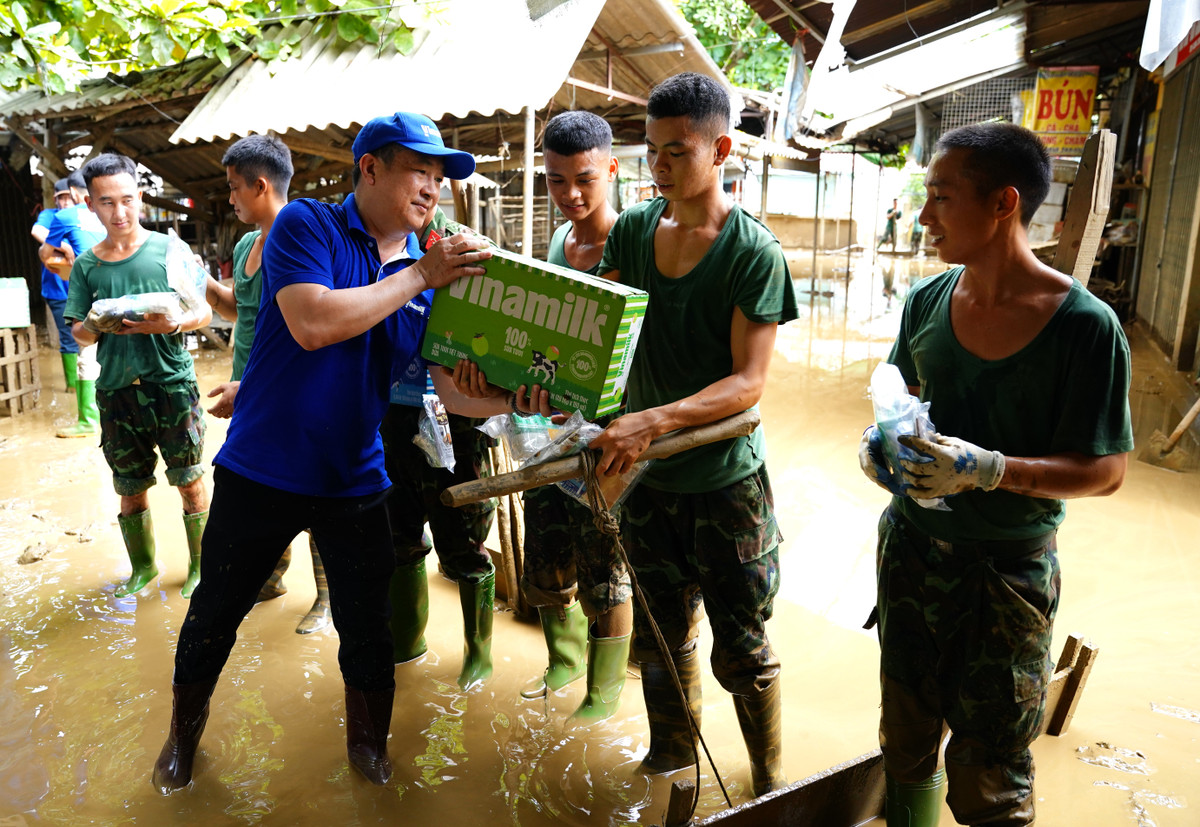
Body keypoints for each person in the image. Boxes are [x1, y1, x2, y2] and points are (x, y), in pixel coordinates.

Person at [151, 111, 549, 795]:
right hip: (262, 468)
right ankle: (182, 736)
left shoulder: (433, 275)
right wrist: (421, 274)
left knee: (369, 630)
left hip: (354, 474)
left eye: (439, 176)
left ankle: (368, 750)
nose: (431, 187)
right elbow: (311, 322)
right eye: (417, 170)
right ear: (370, 168)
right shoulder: (308, 224)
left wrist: (517, 402)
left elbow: (451, 392)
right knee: (216, 611)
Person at [857, 122, 1133, 826]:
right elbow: (904, 402)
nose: (924, 217)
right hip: (911, 556)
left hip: (1006, 577)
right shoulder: (925, 302)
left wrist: (990, 469)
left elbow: (1105, 471)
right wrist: (882, 448)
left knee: (991, 773)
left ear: (1004, 203)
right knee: (906, 739)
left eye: (942, 197)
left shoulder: (1085, 327)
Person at [589, 73, 798, 797]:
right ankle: (671, 755)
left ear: (721, 148)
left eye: (677, 150)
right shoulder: (636, 231)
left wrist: (653, 418)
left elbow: (748, 384)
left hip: (723, 484)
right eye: (652, 150)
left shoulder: (751, 252)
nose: (660, 165)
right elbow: (600, 332)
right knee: (659, 634)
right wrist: (563, 396)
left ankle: (769, 780)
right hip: (648, 483)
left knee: (742, 648)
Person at [517, 110, 634, 723]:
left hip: (609, 439)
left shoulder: (631, 243)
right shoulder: (557, 245)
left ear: (612, 168)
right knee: (547, 552)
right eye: (556, 181)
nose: (571, 195)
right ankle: (562, 660)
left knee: (606, 566)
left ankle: (604, 689)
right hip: (548, 432)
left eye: (584, 179)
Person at [62, 154, 212, 599]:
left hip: (170, 386)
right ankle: (143, 569)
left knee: (190, 479)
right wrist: (96, 321)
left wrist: (174, 324)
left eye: (128, 200)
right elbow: (78, 335)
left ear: (141, 198)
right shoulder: (88, 266)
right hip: (116, 393)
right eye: (107, 203)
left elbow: (202, 312)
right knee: (129, 487)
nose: (120, 212)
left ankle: (200, 570)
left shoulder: (170, 250)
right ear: (91, 205)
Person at [203, 133, 332, 635]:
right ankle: (270, 579)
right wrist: (203, 285)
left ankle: (326, 598)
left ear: (261, 186)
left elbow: (310, 326)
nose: (230, 197)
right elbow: (242, 310)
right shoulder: (244, 245)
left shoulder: (301, 239)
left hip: (287, 390)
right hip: (250, 389)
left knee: (310, 492)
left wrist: (252, 388)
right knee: (261, 485)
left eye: (235, 188)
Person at [381, 205, 500, 692]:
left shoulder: (464, 245)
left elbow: (497, 334)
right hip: (389, 414)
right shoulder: (372, 243)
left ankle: (479, 654)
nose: (422, 191)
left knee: (465, 540)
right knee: (397, 535)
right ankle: (407, 642)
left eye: (431, 178)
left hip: (455, 418)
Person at [41, 171, 107, 438]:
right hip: (116, 285)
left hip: (89, 291)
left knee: (85, 352)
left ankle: (88, 420)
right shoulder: (109, 213)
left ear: (77, 194)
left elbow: (45, 253)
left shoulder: (65, 216)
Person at [30, 178, 77, 393]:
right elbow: (37, 232)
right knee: (67, 336)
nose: (66, 202)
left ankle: (89, 381)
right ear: (55, 199)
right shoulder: (49, 215)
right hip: (57, 289)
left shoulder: (81, 217)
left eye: (68, 197)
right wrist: (66, 247)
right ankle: (72, 387)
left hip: (80, 288)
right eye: (61, 198)